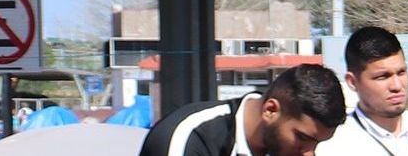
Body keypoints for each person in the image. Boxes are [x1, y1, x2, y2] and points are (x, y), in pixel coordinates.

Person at [140, 63, 346, 156]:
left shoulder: (280, 149)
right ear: (270, 110)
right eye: (302, 138)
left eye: (317, 143)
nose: (309, 154)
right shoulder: (190, 137)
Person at [317, 26, 408, 156]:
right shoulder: (333, 144)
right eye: (382, 77)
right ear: (352, 82)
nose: (396, 86)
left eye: (401, 73)